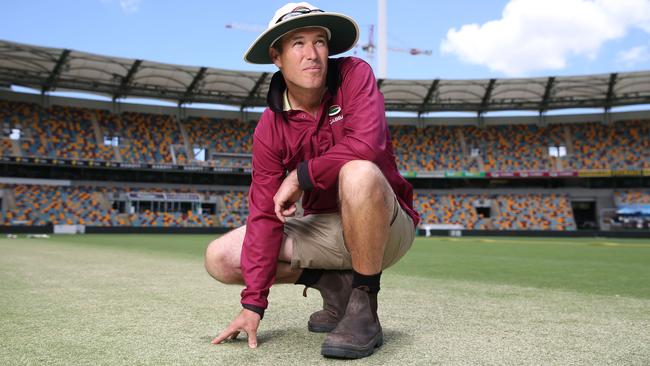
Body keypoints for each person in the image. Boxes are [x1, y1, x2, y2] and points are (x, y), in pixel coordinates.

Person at [204, 2, 419, 359]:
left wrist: (300, 176)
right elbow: (263, 214)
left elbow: (366, 144)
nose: (312, 54)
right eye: (298, 43)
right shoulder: (269, 127)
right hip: (327, 230)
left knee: (359, 171)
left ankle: (364, 305)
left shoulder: (353, 73)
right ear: (277, 55)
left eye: (319, 41)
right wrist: (254, 305)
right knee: (221, 257)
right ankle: (334, 285)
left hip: (386, 227)